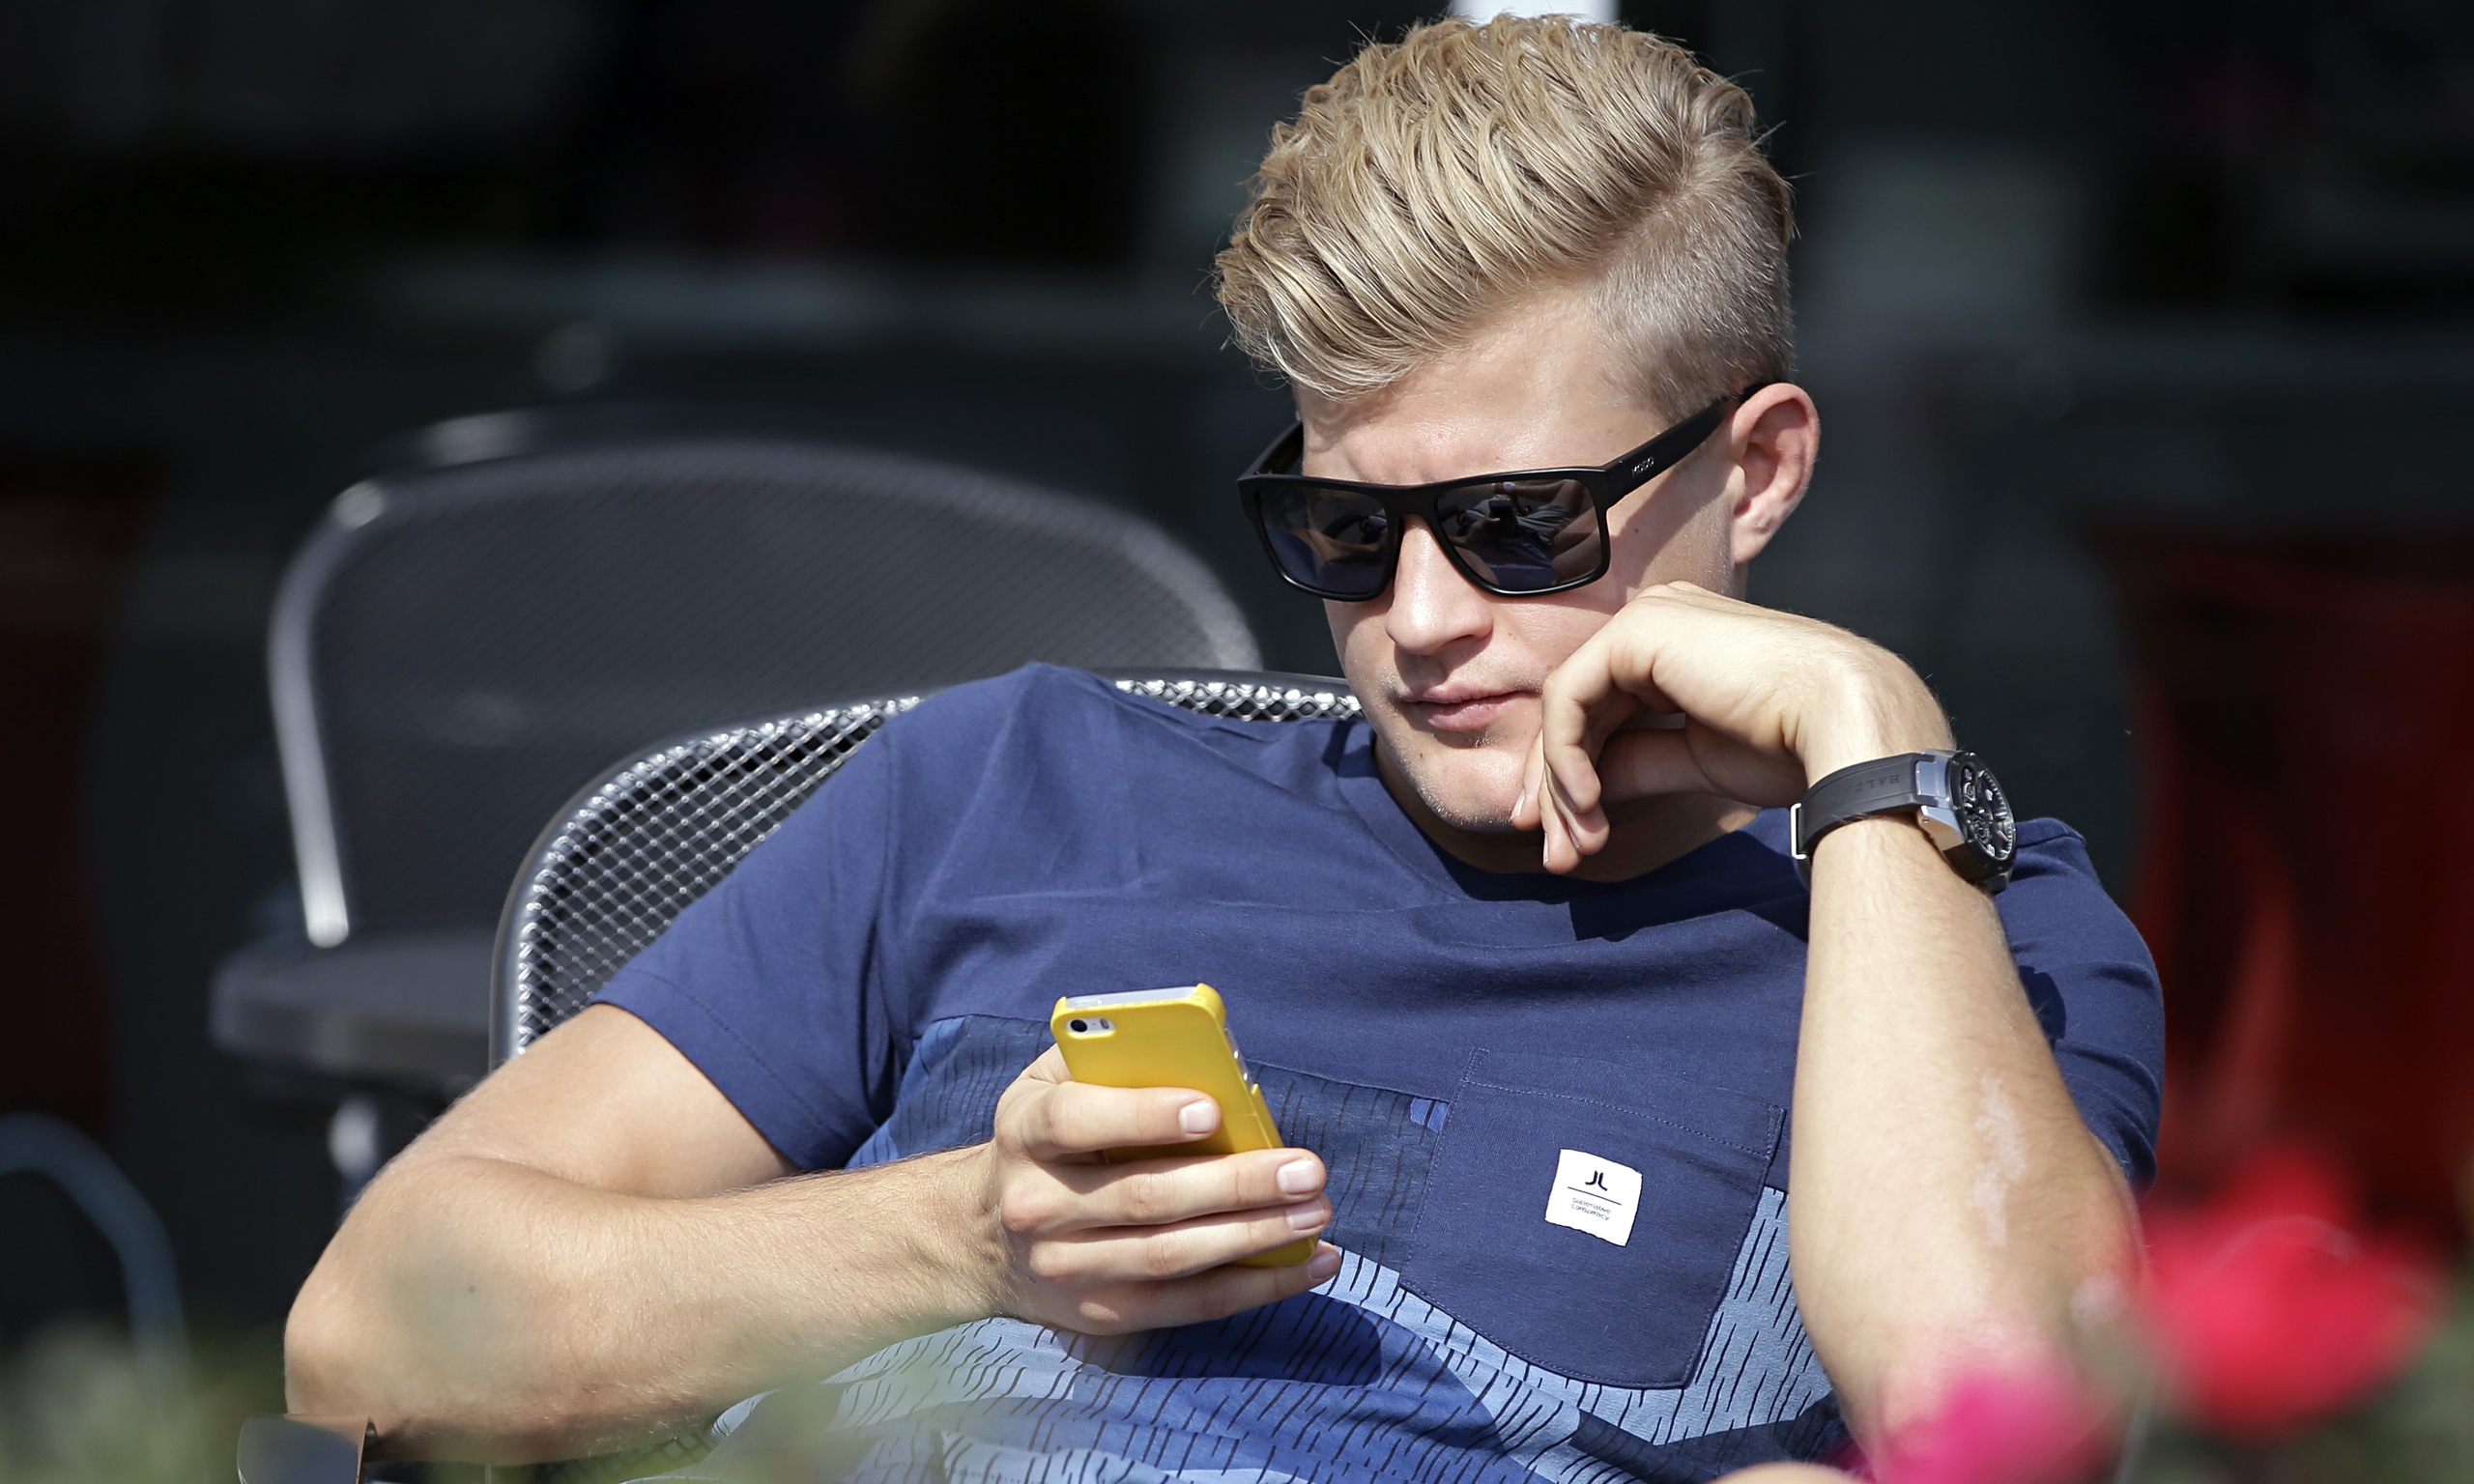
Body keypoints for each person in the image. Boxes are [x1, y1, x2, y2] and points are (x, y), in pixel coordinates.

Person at [285, 16, 2162, 1482]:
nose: (1418, 622)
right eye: (1343, 532)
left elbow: (2009, 1426)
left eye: (1516, 527)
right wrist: (964, 1239)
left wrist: (1869, 742)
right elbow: (366, 1331)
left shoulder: (1953, 926)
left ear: (1752, 473)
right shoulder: (1016, 789)